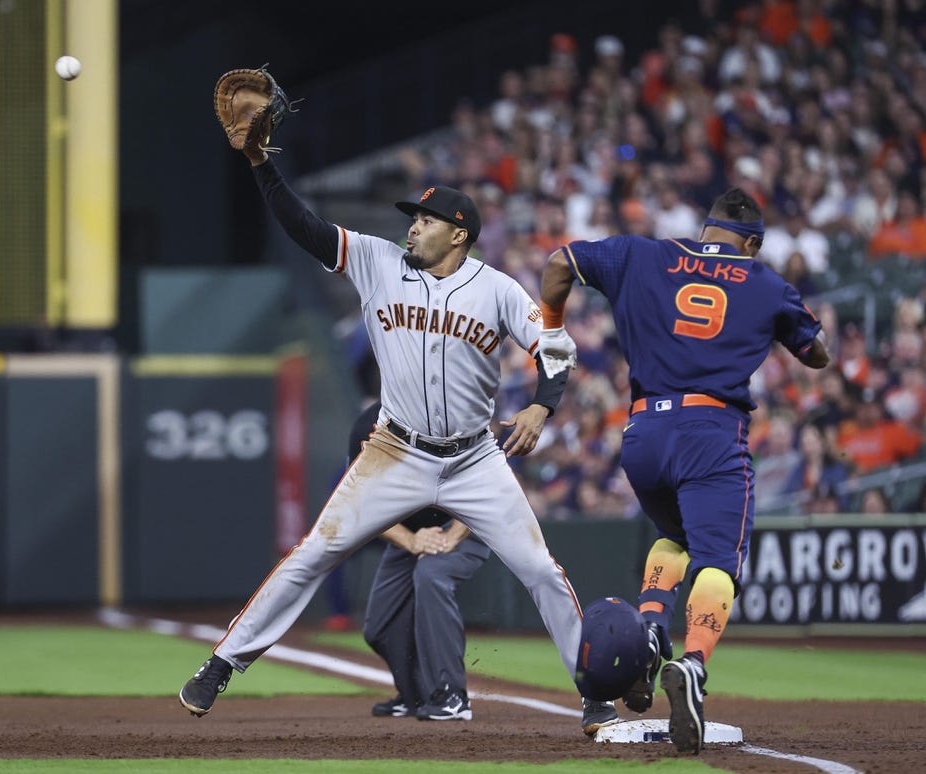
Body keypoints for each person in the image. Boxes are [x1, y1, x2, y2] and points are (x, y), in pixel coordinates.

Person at [179, 113, 620, 737]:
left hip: (473, 460)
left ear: (459, 234)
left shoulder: (495, 290)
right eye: (413, 217)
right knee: (312, 553)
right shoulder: (377, 261)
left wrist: (542, 404)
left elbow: (555, 347)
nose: (412, 225)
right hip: (395, 452)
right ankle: (223, 663)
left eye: (426, 219)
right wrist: (260, 164)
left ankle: (595, 695)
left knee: (542, 571)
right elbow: (302, 226)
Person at [538, 187, 829, 754]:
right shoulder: (766, 283)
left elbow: (558, 263)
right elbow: (817, 351)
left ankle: (651, 629)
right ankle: (692, 663)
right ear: (751, 243)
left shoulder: (641, 254)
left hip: (643, 435)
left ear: (704, 231)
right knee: (718, 560)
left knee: (674, 537)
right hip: (711, 435)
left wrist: (551, 330)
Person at [351, 400, 491, 721]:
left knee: (432, 575)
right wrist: (411, 540)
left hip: (460, 524)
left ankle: (451, 694)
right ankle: (414, 694)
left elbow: (490, 482)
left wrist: (452, 536)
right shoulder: (364, 426)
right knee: (378, 628)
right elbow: (360, 502)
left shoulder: (449, 411)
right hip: (408, 533)